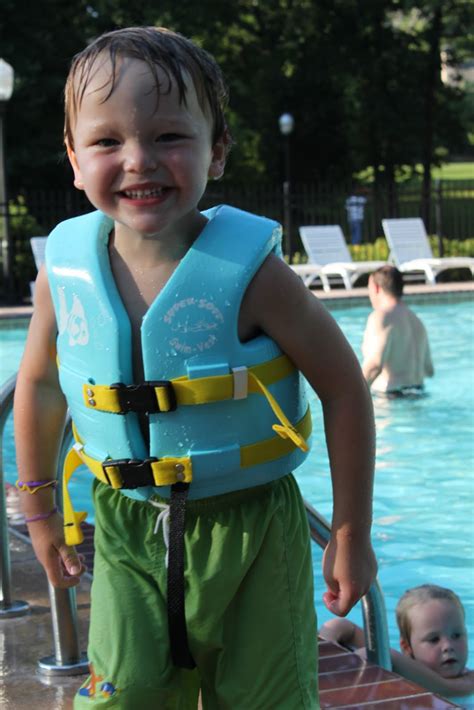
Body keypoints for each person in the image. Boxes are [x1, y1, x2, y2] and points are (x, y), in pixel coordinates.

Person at [13, 26, 377, 709]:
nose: (139, 161)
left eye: (169, 137)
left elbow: (344, 387)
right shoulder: (62, 275)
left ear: (219, 151)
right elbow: (37, 387)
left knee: (265, 698)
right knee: (129, 697)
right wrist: (38, 508)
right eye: (106, 141)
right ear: (72, 156)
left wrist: (351, 532)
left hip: (253, 534)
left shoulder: (256, 277)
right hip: (126, 524)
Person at [319, 584, 474, 698]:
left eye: (456, 635)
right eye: (434, 640)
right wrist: (325, 650)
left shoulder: (467, 682)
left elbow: (446, 689)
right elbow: (342, 626)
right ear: (407, 648)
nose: (448, 646)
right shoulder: (402, 664)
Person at [362, 265, 434, 396]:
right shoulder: (417, 321)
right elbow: (429, 370)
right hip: (419, 394)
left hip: (390, 398)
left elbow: (375, 365)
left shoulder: (381, 317)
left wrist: (351, 395)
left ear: (376, 288)